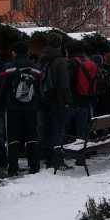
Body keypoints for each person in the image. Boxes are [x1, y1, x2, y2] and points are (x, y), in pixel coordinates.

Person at [0, 41, 42, 175]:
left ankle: (13, 167)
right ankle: (34, 166)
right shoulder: (36, 68)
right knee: (32, 136)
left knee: (13, 137)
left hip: (12, 107)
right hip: (31, 107)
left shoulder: (8, 67)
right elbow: (39, 89)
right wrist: (37, 105)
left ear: (14, 52)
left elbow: (2, 88)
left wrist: (1, 104)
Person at [39, 32, 73, 172]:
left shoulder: (42, 59)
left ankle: (48, 159)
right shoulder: (60, 61)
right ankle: (58, 160)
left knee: (47, 131)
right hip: (57, 101)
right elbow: (64, 84)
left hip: (44, 100)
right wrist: (68, 100)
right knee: (58, 132)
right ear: (60, 45)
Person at [64, 40, 98, 143]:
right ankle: (81, 151)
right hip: (85, 101)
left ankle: (61, 149)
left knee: (64, 129)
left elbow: (66, 83)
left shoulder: (70, 63)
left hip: (71, 102)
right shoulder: (87, 62)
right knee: (82, 130)